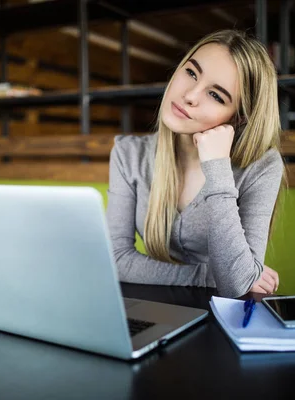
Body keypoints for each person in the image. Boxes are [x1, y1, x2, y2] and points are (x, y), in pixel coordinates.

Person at [106, 29, 285, 298]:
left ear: (238, 118)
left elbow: (236, 284)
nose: (190, 95)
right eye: (191, 73)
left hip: (225, 318)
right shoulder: (128, 154)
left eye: (216, 95)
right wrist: (205, 275)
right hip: (157, 307)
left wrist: (218, 168)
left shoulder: (262, 166)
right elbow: (115, 259)